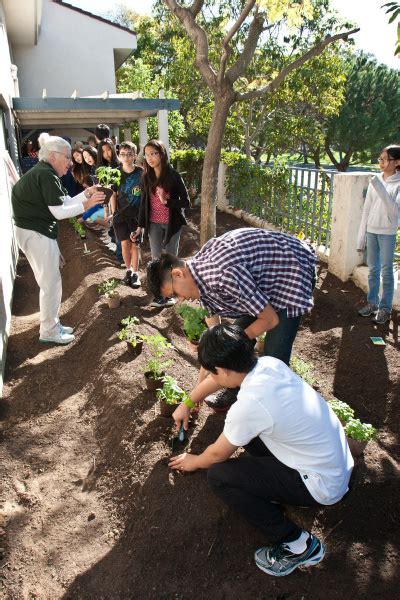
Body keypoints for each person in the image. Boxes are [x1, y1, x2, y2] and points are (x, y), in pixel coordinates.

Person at [169, 324, 353, 577]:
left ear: (222, 369)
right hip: (332, 464)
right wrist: (188, 402)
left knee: (219, 476)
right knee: (243, 434)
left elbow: (216, 456)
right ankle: (276, 491)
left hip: (321, 485)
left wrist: (194, 460)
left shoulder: (251, 404)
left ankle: (299, 545)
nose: (212, 377)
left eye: (213, 372)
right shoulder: (268, 365)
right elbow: (218, 379)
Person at [147, 227, 316, 408]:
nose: (180, 299)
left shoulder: (222, 274)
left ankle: (273, 411)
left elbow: (270, 320)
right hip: (263, 282)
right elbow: (214, 328)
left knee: (275, 361)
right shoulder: (197, 275)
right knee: (232, 340)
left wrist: (229, 345)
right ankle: (235, 390)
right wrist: (207, 365)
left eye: (175, 293)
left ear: (177, 274)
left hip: (291, 272)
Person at [11, 132, 105, 344]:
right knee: (50, 284)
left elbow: (63, 203)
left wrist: (85, 195)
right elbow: (59, 212)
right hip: (36, 233)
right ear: (53, 156)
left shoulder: (46, 173)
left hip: (34, 232)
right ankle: (49, 331)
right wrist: (88, 205)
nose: (70, 163)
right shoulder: (46, 175)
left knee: (50, 283)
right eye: (67, 157)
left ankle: (52, 324)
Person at [134, 139, 190, 308]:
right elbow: (144, 203)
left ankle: (173, 293)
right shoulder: (146, 176)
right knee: (157, 259)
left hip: (172, 223)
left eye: (154, 154)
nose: (150, 158)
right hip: (154, 224)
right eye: (147, 154)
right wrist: (139, 227)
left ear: (162, 154)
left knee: (171, 258)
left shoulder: (173, 175)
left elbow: (186, 202)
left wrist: (167, 201)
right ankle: (160, 295)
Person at [357, 144, 400, 325]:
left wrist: (379, 186)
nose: (381, 162)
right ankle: (372, 303)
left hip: (387, 233)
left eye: (385, 159)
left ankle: (385, 309)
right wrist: (361, 237)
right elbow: (366, 210)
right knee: (373, 271)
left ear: (397, 162)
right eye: (380, 158)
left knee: (386, 272)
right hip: (371, 230)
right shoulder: (376, 180)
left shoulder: (398, 184)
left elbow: (394, 212)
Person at [110, 142, 143, 288]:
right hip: (120, 215)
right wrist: (113, 212)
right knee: (124, 243)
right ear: (118, 156)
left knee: (135, 245)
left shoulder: (141, 173)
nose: (126, 157)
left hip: (136, 215)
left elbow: (146, 196)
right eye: (123, 154)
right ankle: (128, 270)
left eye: (130, 154)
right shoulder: (115, 173)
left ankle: (136, 274)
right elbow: (112, 194)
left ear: (135, 156)